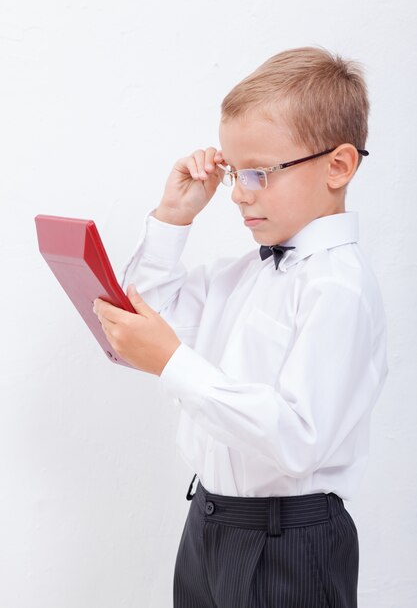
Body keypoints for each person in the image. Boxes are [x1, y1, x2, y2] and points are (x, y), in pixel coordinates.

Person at [94, 46, 389, 607]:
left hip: (289, 544)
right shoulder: (239, 276)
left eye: (260, 172)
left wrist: (174, 362)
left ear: (339, 165)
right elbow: (143, 319)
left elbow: (297, 438)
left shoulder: (338, 287)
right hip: (209, 524)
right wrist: (173, 217)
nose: (238, 192)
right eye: (234, 171)